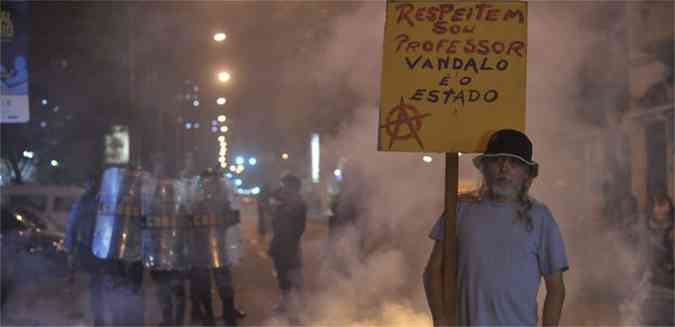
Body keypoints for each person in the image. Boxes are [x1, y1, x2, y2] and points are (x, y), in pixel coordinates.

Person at [424, 129, 569, 326]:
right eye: (497, 160)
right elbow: (433, 270)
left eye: (514, 162)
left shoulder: (540, 218)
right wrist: (440, 319)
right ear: (484, 167)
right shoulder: (460, 209)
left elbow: (556, 287)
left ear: (527, 174)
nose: (504, 169)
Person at [64, 173, 107, 326]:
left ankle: (94, 318)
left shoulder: (88, 201)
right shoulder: (89, 201)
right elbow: (73, 226)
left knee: (94, 286)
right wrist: (69, 248)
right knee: (93, 286)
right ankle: (93, 318)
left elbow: (72, 226)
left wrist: (69, 248)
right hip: (91, 248)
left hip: (92, 248)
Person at [268, 173, 307, 314]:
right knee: (283, 275)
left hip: (289, 245)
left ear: (294, 187)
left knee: (292, 275)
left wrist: (288, 245)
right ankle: (287, 303)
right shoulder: (283, 201)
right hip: (280, 244)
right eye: (283, 185)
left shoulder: (298, 204)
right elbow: (272, 196)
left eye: (286, 185)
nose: (283, 188)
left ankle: (297, 306)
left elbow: (297, 228)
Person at [640, 192, 674, 326]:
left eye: (663, 205)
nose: (659, 209)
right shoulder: (649, 228)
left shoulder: (671, 231)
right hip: (654, 281)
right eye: (657, 205)